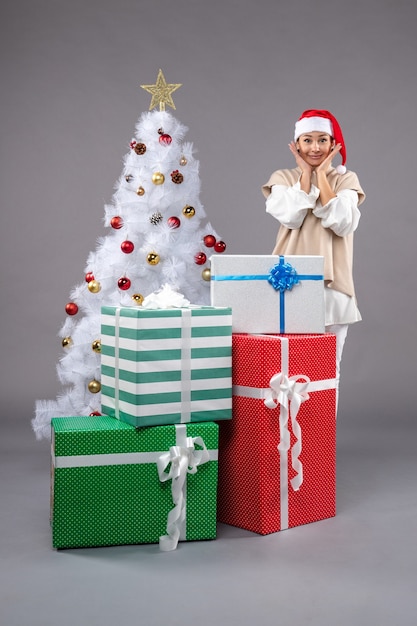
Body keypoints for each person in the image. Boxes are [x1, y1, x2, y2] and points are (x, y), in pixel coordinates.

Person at [262, 109, 366, 409]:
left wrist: (321, 175)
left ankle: (320, 443)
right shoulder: (282, 178)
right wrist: (306, 176)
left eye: (322, 140)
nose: (315, 148)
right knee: (285, 369)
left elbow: (343, 221)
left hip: (333, 288)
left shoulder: (347, 179)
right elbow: (291, 216)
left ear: (334, 144)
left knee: (327, 372)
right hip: (287, 285)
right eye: (307, 140)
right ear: (296, 144)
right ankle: (286, 441)